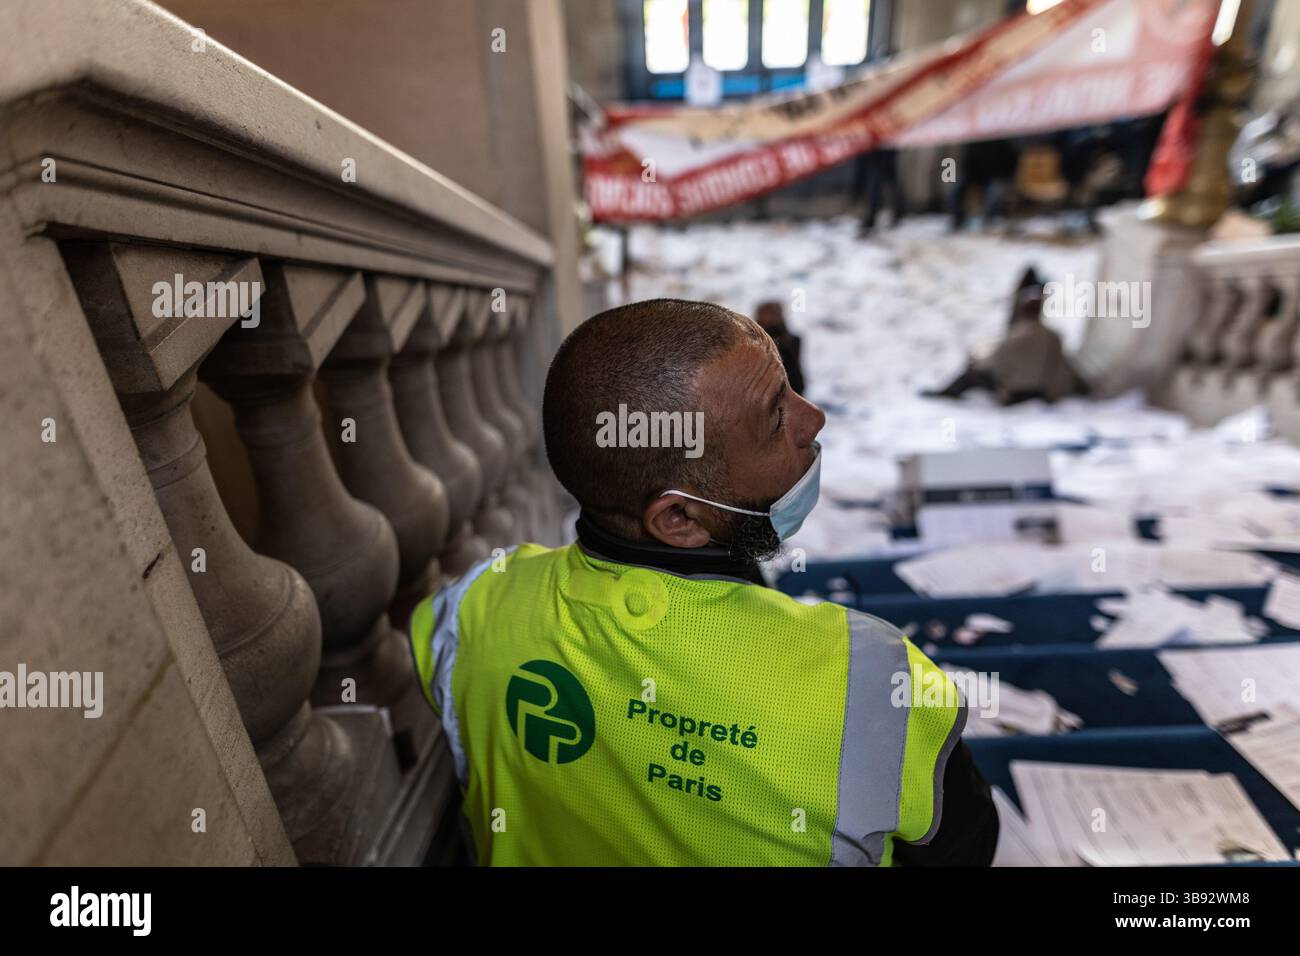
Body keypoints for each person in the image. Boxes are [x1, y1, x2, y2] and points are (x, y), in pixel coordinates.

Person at [409, 298, 999, 866]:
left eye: (787, 383)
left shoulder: (473, 608)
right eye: (774, 418)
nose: (812, 417)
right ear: (680, 519)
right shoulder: (870, 678)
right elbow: (969, 845)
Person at [925, 268, 1088, 405]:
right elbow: (1064, 370)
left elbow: (995, 363)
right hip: (1043, 394)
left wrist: (976, 362)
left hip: (1017, 395)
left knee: (973, 374)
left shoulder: (1019, 335)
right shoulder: (1054, 336)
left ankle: (947, 394)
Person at [754, 300, 806, 396]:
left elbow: (795, 373)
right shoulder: (752, 341)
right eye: (769, 314)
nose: (771, 318)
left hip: (790, 390)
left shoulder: (793, 341)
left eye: (774, 313)